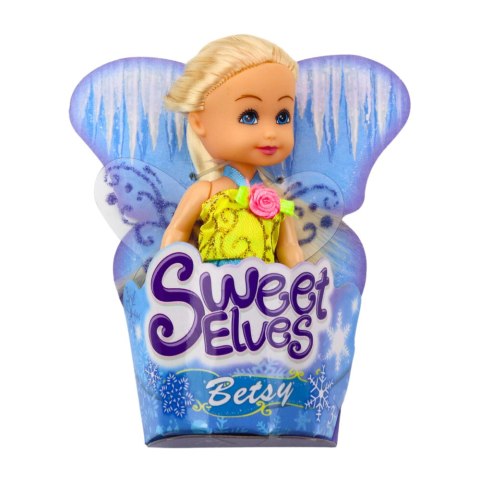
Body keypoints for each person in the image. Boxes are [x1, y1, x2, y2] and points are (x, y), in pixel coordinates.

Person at [161, 35, 304, 268]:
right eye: (249, 116)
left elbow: (289, 248)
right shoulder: (206, 191)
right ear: (199, 123)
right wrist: (166, 273)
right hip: (215, 285)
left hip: (263, 286)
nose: (270, 132)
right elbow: (176, 232)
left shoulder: (276, 200)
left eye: (282, 117)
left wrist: (301, 277)